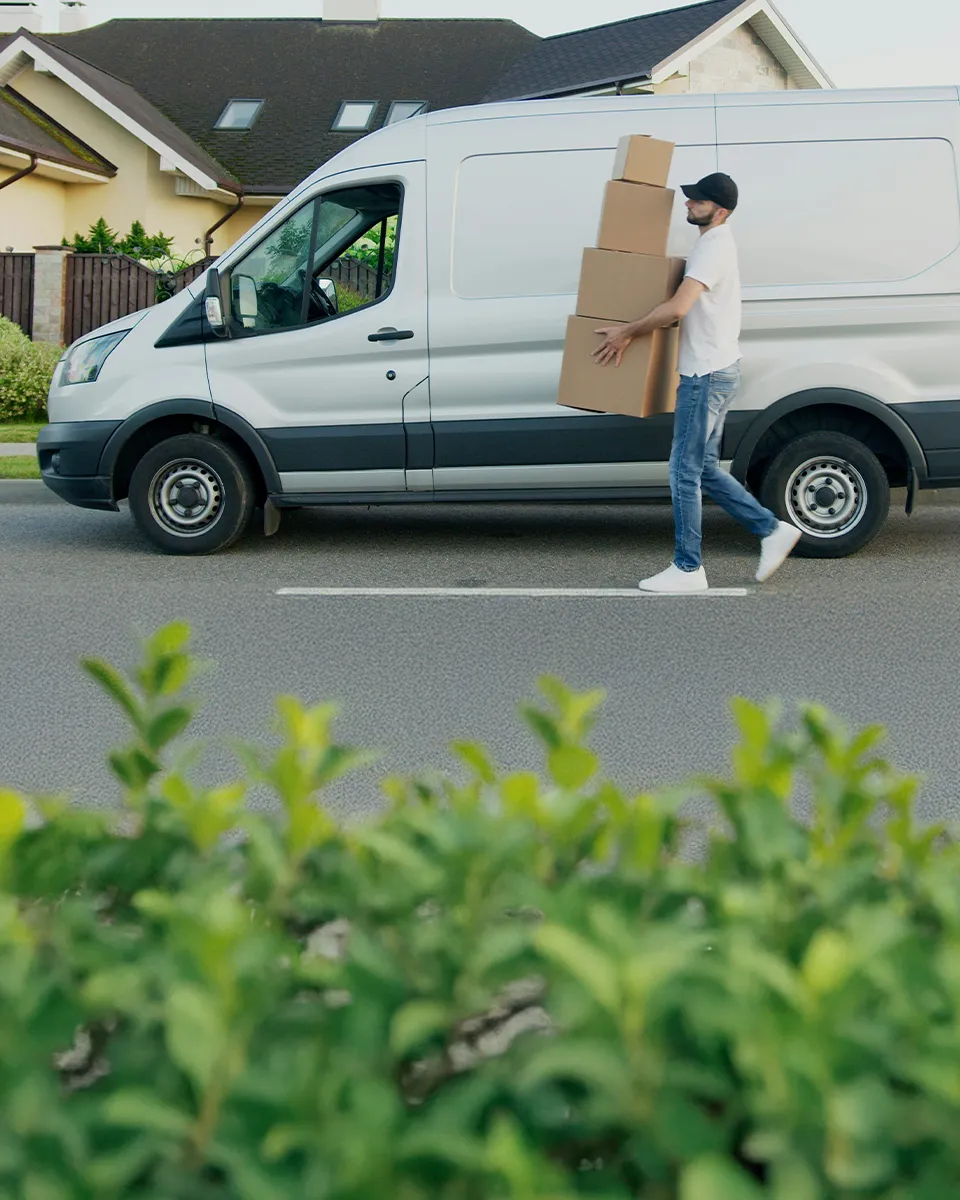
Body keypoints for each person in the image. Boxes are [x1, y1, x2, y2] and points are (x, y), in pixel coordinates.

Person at [592, 172, 801, 593]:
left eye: (697, 201)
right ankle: (771, 529)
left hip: (705, 375)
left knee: (683, 471)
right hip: (719, 368)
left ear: (719, 210)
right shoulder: (712, 243)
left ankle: (688, 568)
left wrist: (626, 331)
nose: (687, 204)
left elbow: (677, 308)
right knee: (702, 467)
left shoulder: (714, 247)